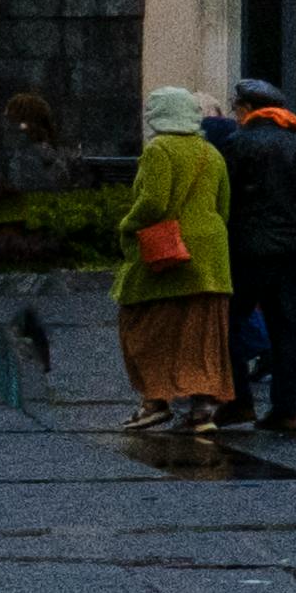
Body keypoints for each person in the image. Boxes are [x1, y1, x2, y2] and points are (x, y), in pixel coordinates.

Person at [111, 85, 235, 436]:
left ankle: (154, 401)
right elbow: (224, 206)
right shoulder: (211, 152)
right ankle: (202, 408)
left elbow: (154, 203)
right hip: (211, 257)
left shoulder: (159, 149)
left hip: (168, 251)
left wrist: (127, 225)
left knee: (143, 325)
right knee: (202, 331)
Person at [208, 79, 296, 436]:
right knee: (289, 331)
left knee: (227, 323)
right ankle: (286, 410)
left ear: (246, 109)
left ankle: (238, 400)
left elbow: (224, 199)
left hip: (246, 252)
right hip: (292, 253)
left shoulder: (236, 144)